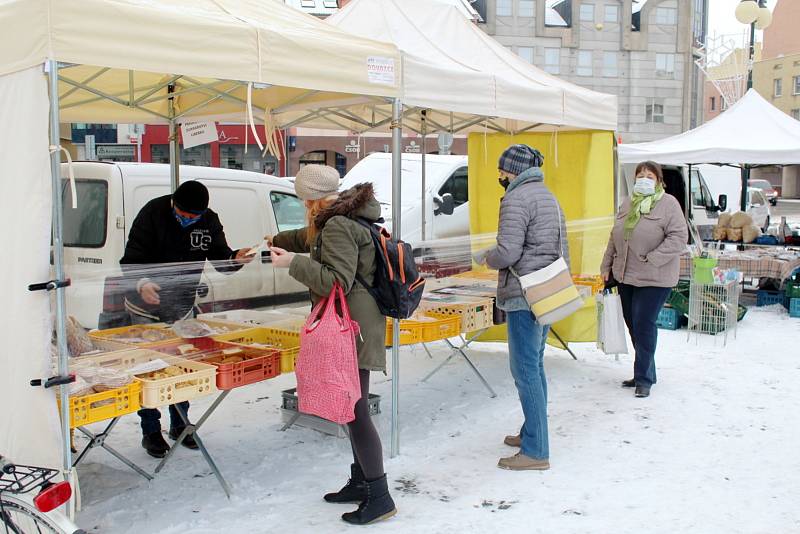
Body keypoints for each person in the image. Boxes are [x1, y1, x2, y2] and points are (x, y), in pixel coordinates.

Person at [268, 164, 397, 525]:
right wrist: (274, 242)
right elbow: (308, 239)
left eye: (301, 198)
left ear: (311, 198)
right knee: (351, 406)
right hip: (355, 323)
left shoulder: (338, 224)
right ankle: (361, 482)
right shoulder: (340, 218)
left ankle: (380, 496)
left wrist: (293, 263)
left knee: (355, 411)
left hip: (350, 327)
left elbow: (336, 282)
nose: (300, 205)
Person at [120, 180, 255, 458]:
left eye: (194, 217)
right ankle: (151, 430)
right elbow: (131, 259)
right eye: (183, 215)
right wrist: (142, 283)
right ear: (174, 204)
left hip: (182, 305)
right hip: (145, 306)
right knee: (151, 368)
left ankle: (180, 423)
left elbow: (221, 260)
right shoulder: (152, 212)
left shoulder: (209, 220)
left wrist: (236, 258)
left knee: (183, 364)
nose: (188, 220)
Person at [477, 144, 568, 472]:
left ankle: (536, 450)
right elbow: (562, 247)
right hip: (544, 292)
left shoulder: (516, 198)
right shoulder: (548, 195)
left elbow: (508, 252)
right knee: (536, 366)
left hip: (523, 293)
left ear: (511, 170)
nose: (499, 176)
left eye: (502, 170)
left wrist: (489, 256)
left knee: (524, 370)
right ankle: (533, 431)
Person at [600, 161, 687, 398]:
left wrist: (654, 257)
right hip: (626, 274)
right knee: (633, 324)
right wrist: (606, 265)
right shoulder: (628, 202)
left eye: (649, 176)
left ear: (659, 180)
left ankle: (644, 378)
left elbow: (679, 237)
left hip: (655, 277)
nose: (644, 179)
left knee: (643, 323)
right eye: (640, 175)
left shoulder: (668, 204)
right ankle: (647, 370)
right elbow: (614, 236)